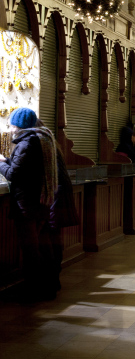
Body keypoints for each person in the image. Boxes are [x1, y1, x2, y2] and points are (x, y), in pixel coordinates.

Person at [0, 108, 58, 301]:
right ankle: (49, 285)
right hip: (41, 200)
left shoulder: (26, 143)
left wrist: (0, 163)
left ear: (18, 125)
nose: (9, 128)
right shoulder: (42, 138)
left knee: (30, 248)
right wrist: (8, 160)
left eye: (11, 124)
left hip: (27, 204)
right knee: (42, 246)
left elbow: (14, 174)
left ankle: (34, 290)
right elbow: (24, 167)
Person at [36, 119, 79, 295]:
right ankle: (54, 279)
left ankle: (50, 281)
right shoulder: (51, 142)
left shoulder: (40, 143)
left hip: (53, 194)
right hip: (60, 193)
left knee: (47, 237)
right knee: (54, 236)